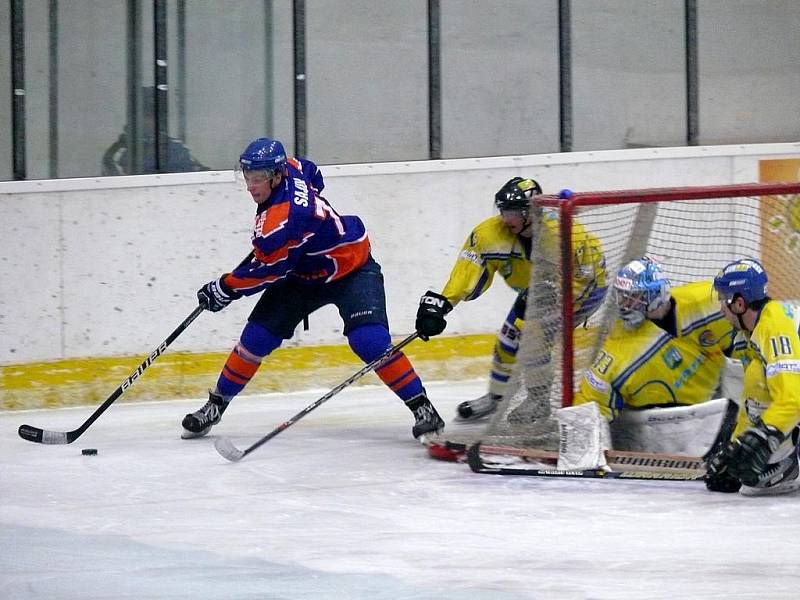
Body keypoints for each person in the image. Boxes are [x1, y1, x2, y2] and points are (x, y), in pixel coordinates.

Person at [181, 137, 444, 441]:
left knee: (369, 340)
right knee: (255, 339)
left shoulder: (281, 222)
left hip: (350, 268)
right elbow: (312, 171)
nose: (250, 187)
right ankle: (216, 405)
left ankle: (423, 408)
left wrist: (224, 287)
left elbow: (267, 272)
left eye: (257, 180)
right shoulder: (291, 168)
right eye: (248, 178)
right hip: (303, 274)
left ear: (276, 176)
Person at [415, 177, 607, 421]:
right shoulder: (489, 234)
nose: (506, 219)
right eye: (503, 211)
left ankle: (538, 401)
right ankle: (497, 397)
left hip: (584, 290)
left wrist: (554, 295)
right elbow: (468, 270)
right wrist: (443, 303)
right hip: (536, 290)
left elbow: (589, 277)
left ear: (531, 212)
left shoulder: (566, 232)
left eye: (513, 212)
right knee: (509, 337)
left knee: (534, 338)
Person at [573, 257, 737, 422]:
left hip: (717, 396)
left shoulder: (708, 303)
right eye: (622, 297)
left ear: (657, 295)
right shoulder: (617, 354)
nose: (624, 306)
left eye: (634, 297)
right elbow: (587, 409)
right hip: (669, 422)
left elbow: (752, 327)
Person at [705, 258, 800, 496]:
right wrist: (737, 447)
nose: (720, 309)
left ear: (739, 303)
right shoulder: (749, 333)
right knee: (756, 376)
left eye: (722, 299)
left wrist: (765, 436)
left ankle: (786, 467)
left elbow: (793, 398)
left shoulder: (775, 326)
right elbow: (752, 402)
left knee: (759, 377)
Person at [102, 87, 208, 176]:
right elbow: (122, 192)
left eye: (157, 115)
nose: (152, 120)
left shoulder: (176, 147)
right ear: (134, 117)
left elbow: (197, 177)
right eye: (147, 115)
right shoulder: (118, 154)